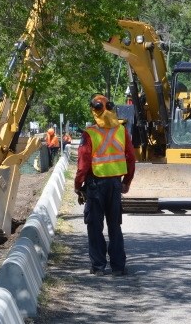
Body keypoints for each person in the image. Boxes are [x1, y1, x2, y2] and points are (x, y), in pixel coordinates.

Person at [74, 94, 136, 277]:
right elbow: (131, 159)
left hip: (95, 185)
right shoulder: (121, 131)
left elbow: (83, 164)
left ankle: (99, 266)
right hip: (115, 185)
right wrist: (127, 182)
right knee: (114, 226)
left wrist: (78, 185)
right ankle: (118, 267)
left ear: (94, 109)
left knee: (95, 226)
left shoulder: (90, 133)